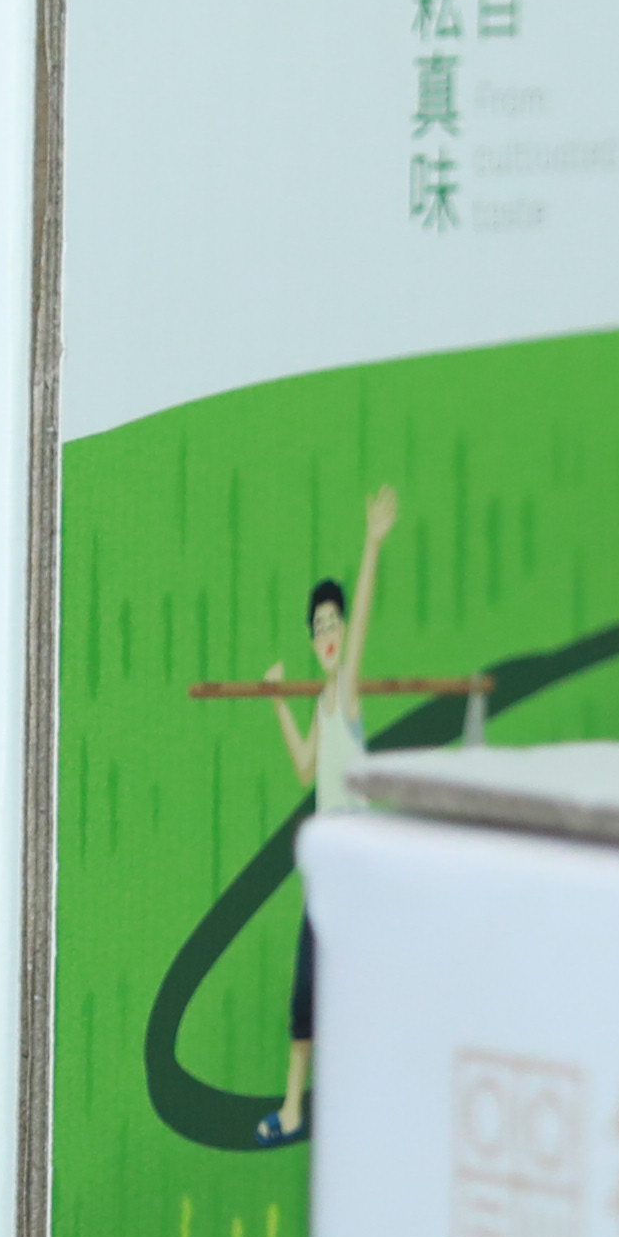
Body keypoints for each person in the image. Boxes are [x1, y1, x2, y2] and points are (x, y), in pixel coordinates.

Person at [251, 485, 398, 1146]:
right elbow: (306, 767)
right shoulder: (320, 703)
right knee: (307, 990)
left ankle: (368, 1103)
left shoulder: (346, 691)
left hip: (355, 864)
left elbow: (362, 624)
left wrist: (372, 544)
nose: (329, 636)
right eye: (319, 629)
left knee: (358, 985)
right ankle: (293, 1110)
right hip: (327, 868)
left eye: (333, 624)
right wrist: (278, 701)